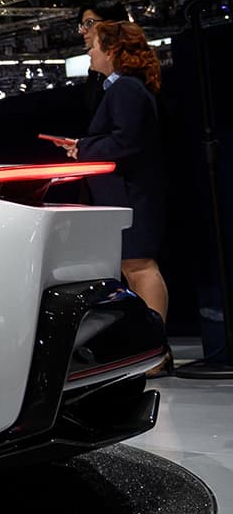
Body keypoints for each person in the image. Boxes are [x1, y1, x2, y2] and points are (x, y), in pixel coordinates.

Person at [59, 21, 168, 325]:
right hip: (127, 192)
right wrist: (84, 145)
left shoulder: (125, 88)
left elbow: (126, 141)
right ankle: (151, 347)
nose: (90, 53)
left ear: (112, 51)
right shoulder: (123, 88)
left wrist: (85, 149)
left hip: (132, 192)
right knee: (133, 267)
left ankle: (156, 348)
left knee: (141, 267)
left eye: (93, 46)